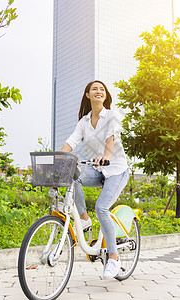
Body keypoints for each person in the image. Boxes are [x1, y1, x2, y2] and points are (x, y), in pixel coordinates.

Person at [60, 80, 129, 279]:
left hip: (116, 170)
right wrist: (56, 158)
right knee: (74, 176)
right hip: (97, 170)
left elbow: (111, 139)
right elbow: (71, 142)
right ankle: (83, 219)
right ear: (88, 95)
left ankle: (114, 258)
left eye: (102, 89)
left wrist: (106, 156)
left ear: (105, 95)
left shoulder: (112, 116)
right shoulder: (84, 121)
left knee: (102, 207)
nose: (98, 91)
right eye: (94, 89)